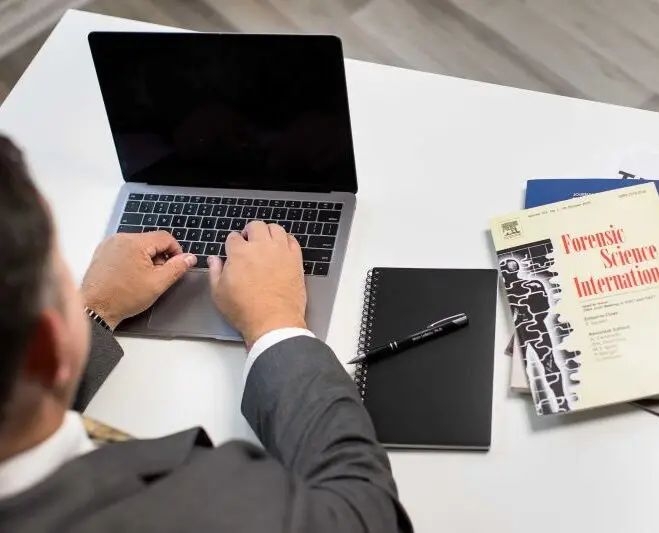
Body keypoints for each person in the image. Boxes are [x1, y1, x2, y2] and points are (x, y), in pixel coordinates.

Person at [0, 134, 413, 532]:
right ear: (49, 348)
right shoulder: (195, 511)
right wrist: (273, 319)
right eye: (59, 276)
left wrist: (96, 307)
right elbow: (370, 517)